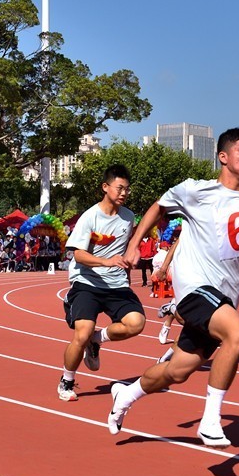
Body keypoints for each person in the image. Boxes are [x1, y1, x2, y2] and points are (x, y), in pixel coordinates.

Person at [112, 128, 239, 448]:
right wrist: (134, 245)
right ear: (223, 157)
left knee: (176, 372)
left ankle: (126, 394)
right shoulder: (196, 191)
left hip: (225, 298)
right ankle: (210, 421)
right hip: (195, 288)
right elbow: (158, 207)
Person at [56, 164, 144, 402]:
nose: (124, 193)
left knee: (136, 324)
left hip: (116, 285)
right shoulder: (90, 217)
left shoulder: (128, 217)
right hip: (87, 282)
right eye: (119, 188)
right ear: (105, 187)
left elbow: (126, 247)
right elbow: (78, 255)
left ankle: (99, 339)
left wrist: (131, 257)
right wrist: (107, 262)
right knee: (81, 334)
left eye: (127, 189)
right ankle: (67, 380)